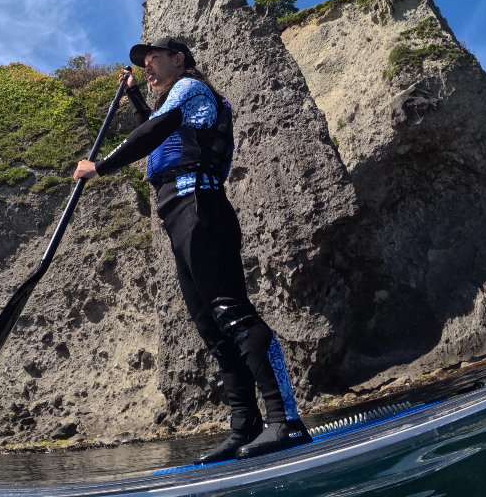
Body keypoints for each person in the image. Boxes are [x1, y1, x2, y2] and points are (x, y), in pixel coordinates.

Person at [72, 37, 312, 462]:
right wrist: (132, 95)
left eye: (154, 60)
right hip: (179, 213)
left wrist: (100, 167)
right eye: (143, 65)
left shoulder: (190, 86)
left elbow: (154, 131)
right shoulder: (177, 102)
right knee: (210, 326)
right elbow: (164, 129)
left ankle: (287, 422)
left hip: (200, 206)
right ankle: (246, 427)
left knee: (231, 312)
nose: (147, 68)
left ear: (179, 59)